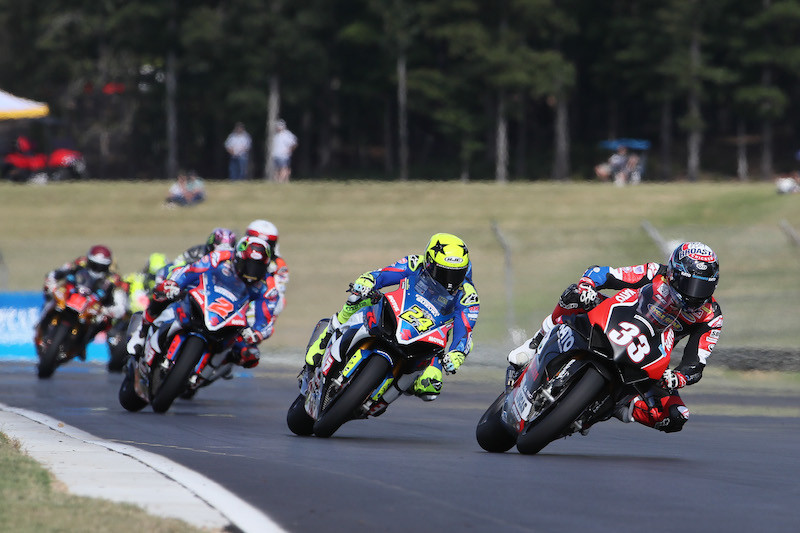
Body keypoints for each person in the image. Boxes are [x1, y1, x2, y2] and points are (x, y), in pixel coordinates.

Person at [507, 241, 722, 434]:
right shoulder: (656, 272)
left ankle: (620, 406)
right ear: (674, 273)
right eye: (690, 284)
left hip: (649, 357)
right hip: (619, 321)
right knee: (574, 294)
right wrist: (587, 286)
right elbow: (605, 274)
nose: (695, 294)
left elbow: (696, 363)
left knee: (676, 415)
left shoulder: (711, 316)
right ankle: (535, 344)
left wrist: (678, 377)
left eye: (703, 286)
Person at [303, 233, 480, 405]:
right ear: (428, 263)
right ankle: (328, 335)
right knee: (358, 297)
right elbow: (384, 274)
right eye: (443, 273)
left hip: (430, 338)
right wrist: (368, 280)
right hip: (396, 313)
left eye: (456, 274)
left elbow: (464, 331)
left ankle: (389, 392)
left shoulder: (468, 295)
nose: (449, 282)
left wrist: (456, 354)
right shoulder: (415, 263)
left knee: (430, 389)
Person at [126, 236, 281, 371]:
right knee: (163, 291)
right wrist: (175, 283)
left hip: (233, 317)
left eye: (258, 267)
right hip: (204, 297)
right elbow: (192, 270)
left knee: (251, 356)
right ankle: (142, 330)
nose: (251, 272)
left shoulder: (267, 285)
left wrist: (257, 332)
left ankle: (209, 370)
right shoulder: (221, 257)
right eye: (248, 265)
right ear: (238, 258)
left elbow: (266, 317)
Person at [35, 245, 129, 357]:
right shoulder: (79, 264)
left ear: (107, 266)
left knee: (102, 322)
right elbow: (56, 273)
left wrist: (106, 310)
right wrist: (52, 284)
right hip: (70, 296)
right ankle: (41, 323)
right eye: (94, 265)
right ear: (89, 260)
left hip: (91, 308)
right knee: (52, 298)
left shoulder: (113, 280)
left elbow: (121, 306)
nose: (97, 270)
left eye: (101, 267)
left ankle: (81, 344)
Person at [241, 219, 289, 314]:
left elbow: (278, 300)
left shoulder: (279, 266)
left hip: (257, 312)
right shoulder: (238, 256)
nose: (258, 249)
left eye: (267, 244)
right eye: (255, 243)